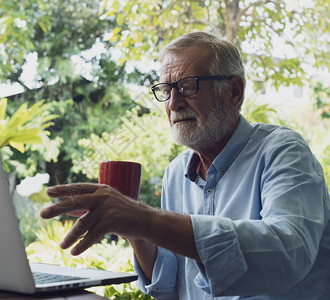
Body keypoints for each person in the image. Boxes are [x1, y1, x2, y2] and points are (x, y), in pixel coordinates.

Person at [40, 31, 330, 299]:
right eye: (166, 89)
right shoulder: (176, 173)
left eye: (188, 86)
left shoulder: (283, 150)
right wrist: (135, 231)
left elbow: (287, 253)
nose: (173, 103)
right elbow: (170, 285)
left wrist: (145, 219)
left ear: (234, 92)